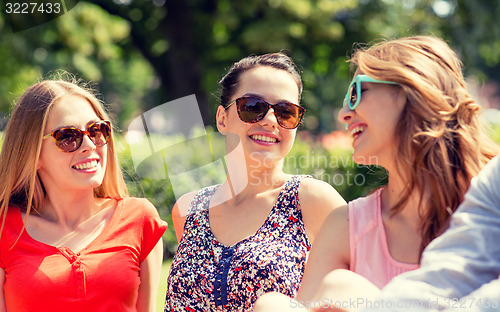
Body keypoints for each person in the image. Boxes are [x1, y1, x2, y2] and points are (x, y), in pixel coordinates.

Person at [253, 36, 499, 311]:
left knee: (341, 288)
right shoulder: (347, 226)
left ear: (412, 88)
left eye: (356, 93)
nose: (344, 113)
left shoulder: (492, 200)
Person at [164, 52, 346, 311]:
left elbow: (368, 286)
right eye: (253, 107)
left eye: (286, 112)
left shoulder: (312, 199)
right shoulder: (189, 209)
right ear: (222, 119)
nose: (271, 121)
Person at [0, 77, 168, 312]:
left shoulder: (140, 220)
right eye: (67, 137)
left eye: (96, 130)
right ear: (33, 154)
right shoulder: (4, 230)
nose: (89, 144)